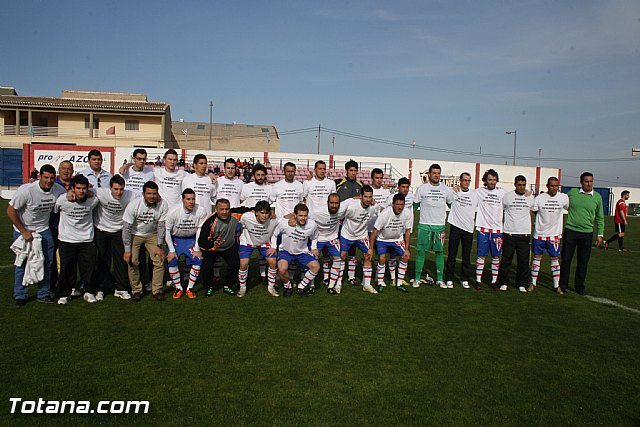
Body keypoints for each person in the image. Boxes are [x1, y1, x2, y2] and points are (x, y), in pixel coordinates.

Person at [8, 164, 65, 305]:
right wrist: (23, 231)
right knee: (22, 263)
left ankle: (43, 293)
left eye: (52, 178)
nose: (49, 181)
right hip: (23, 230)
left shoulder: (58, 190)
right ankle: (20, 295)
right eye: (46, 177)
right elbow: (10, 211)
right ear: (39, 176)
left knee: (48, 262)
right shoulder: (26, 191)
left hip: (43, 229)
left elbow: (67, 199)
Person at [55, 175, 100, 304]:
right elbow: (55, 211)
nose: (81, 191)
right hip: (67, 239)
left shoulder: (93, 200)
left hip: (86, 240)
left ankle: (89, 291)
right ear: (73, 188)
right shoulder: (62, 200)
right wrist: (68, 193)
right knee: (66, 268)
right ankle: (65, 293)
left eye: (84, 188)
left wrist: (91, 193)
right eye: (78, 188)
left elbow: (97, 195)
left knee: (89, 268)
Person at [559, 172, 604, 295]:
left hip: (587, 233)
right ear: (581, 182)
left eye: (591, 181)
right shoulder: (572, 193)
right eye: (586, 181)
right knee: (566, 260)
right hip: (571, 231)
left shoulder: (597, 197)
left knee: (583, 262)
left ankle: (579, 287)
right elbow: (560, 201)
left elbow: (600, 217)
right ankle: (563, 285)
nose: (589, 184)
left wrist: (600, 234)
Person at [122, 181, 168, 302]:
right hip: (135, 234)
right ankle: (136, 290)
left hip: (152, 234)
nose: (152, 196)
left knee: (159, 259)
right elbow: (126, 228)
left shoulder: (162, 204)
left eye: (154, 193)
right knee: (132, 261)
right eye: (149, 193)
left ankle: (157, 290)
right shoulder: (134, 205)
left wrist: (159, 245)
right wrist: (127, 250)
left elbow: (161, 225)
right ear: (143, 194)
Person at [412, 164, 455, 288]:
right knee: (421, 252)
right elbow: (414, 206)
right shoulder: (422, 189)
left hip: (440, 226)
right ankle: (417, 278)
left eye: (438, 173)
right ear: (429, 174)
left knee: (439, 252)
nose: (436, 175)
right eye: (434, 173)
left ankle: (440, 279)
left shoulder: (446, 190)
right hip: (424, 225)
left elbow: (453, 206)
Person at [165, 188, 208, 299]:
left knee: (197, 260)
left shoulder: (201, 211)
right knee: (172, 260)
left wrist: (197, 248)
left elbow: (200, 230)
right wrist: (171, 250)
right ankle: (178, 288)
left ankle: (190, 288)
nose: (191, 202)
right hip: (176, 239)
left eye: (193, 199)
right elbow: (167, 231)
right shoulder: (173, 212)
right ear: (182, 199)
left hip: (191, 239)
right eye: (188, 199)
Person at [530, 177, 570, 294]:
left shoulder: (563, 198)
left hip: (554, 235)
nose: (554, 188)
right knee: (537, 258)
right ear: (547, 186)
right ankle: (533, 283)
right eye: (552, 186)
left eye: (556, 186)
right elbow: (532, 211)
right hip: (540, 234)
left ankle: (556, 285)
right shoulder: (539, 198)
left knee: (554, 259)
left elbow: (567, 207)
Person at [271, 204, 320, 297]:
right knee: (281, 269)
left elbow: (315, 236)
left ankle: (301, 287)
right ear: (295, 215)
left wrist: (313, 247)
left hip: (302, 252)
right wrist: (273, 246)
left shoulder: (312, 225)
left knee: (316, 267)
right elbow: (275, 234)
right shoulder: (285, 224)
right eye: (300, 215)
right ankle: (288, 286)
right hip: (286, 251)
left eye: (305, 216)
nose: (303, 218)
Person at [497, 175, 534, 292]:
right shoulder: (507, 197)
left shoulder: (530, 197)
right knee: (506, 260)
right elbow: (500, 210)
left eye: (524, 185)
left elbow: (533, 211)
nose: (522, 187)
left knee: (523, 261)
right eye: (519, 185)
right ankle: (503, 282)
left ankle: (521, 283)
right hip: (509, 233)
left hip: (524, 234)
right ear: (515, 185)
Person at [198, 199, 241, 297]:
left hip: (229, 246)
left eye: (227, 209)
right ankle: (209, 286)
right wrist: (213, 244)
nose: (225, 212)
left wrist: (257, 210)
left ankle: (227, 285)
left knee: (235, 264)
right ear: (216, 209)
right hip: (213, 249)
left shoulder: (234, 215)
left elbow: (245, 210)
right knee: (206, 266)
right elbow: (202, 242)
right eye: (221, 209)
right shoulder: (210, 222)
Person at [370, 193, 412, 293]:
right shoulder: (385, 213)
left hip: (397, 239)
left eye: (402, 205)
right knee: (382, 258)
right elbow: (375, 231)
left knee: (405, 257)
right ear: (393, 204)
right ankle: (380, 282)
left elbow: (407, 231)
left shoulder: (407, 213)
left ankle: (399, 283)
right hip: (383, 240)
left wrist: (407, 249)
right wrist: (371, 248)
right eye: (397, 204)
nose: (399, 207)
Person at [339, 185, 377, 294]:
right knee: (342, 256)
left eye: (370, 197)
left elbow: (383, 211)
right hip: (347, 234)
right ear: (360, 196)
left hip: (362, 235)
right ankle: (338, 282)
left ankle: (367, 284)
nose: (368, 199)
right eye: (365, 196)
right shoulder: (351, 206)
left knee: (369, 256)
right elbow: (339, 215)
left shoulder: (373, 207)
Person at [238, 200, 278, 297]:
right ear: (256, 212)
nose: (264, 216)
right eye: (262, 213)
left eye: (266, 213)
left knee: (273, 262)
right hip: (247, 242)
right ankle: (242, 287)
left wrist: (273, 247)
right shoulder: (247, 217)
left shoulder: (273, 220)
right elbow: (240, 221)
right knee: (244, 263)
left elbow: (275, 233)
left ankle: (271, 287)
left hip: (264, 243)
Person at [474, 169, 506, 290]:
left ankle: (493, 281)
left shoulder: (503, 193)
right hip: (483, 228)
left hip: (497, 230)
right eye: (489, 180)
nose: (492, 182)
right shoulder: (479, 192)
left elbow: (514, 198)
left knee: (496, 256)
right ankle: (478, 280)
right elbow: (465, 193)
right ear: (485, 181)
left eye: (494, 180)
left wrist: (527, 193)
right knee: (481, 255)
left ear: (496, 180)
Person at [445, 172, 477, 289]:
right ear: (460, 181)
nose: (466, 182)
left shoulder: (475, 194)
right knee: (452, 255)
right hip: (455, 226)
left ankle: (464, 278)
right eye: (464, 180)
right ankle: (449, 278)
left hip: (468, 229)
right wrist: (452, 190)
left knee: (466, 256)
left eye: (469, 180)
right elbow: (447, 199)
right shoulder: (454, 192)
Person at [336, 160, 364, 284]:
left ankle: (351, 277)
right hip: (339, 221)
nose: (353, 173)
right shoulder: (338, 183)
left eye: (355, 171)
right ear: (346, 171)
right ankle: (336, 276)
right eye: (351, 170)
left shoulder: (361, 185)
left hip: (354, 224)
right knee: (339, 251)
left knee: (352, 252)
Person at [313, 193, 346, 294]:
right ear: (327, 203)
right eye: (332, 203)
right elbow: (304, 217)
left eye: (336, 203)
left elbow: (352, 201)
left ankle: (331, 286)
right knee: (312, 260)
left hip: (332, 238)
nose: (334, 205)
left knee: (338, 259)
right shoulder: (317, 212)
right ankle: (311, 285)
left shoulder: (341, 210)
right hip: (318, 238)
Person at [385, 177, 415, 284]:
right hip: (395, 229)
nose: (405, 189)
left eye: (407, 187)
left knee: (404, 253)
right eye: (403, 187)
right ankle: (393, 277)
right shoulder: (391, 198)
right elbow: (386, 211)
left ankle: (400, 278)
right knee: (393, 254)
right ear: (398, 187)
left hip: (407, 230)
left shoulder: (412, 197)